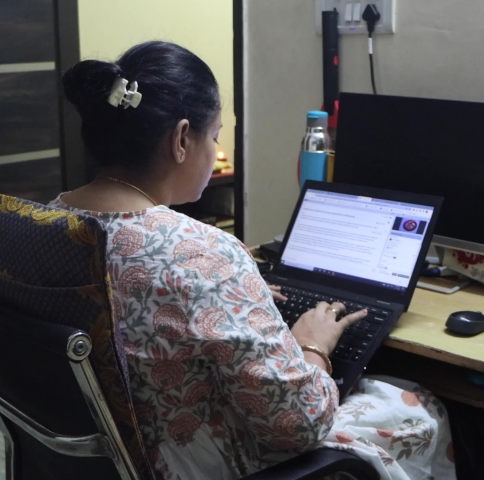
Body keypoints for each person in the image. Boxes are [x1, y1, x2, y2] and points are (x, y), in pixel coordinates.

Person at [54, 41, 455, 480]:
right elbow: (300, 425)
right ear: (182, 139)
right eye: (215, 135)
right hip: (199, 465)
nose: (215, 147)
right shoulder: (203, 254)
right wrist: (312, 346)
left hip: (93, 458)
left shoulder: (45, 224)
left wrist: (229, 289)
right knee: (419, 406)